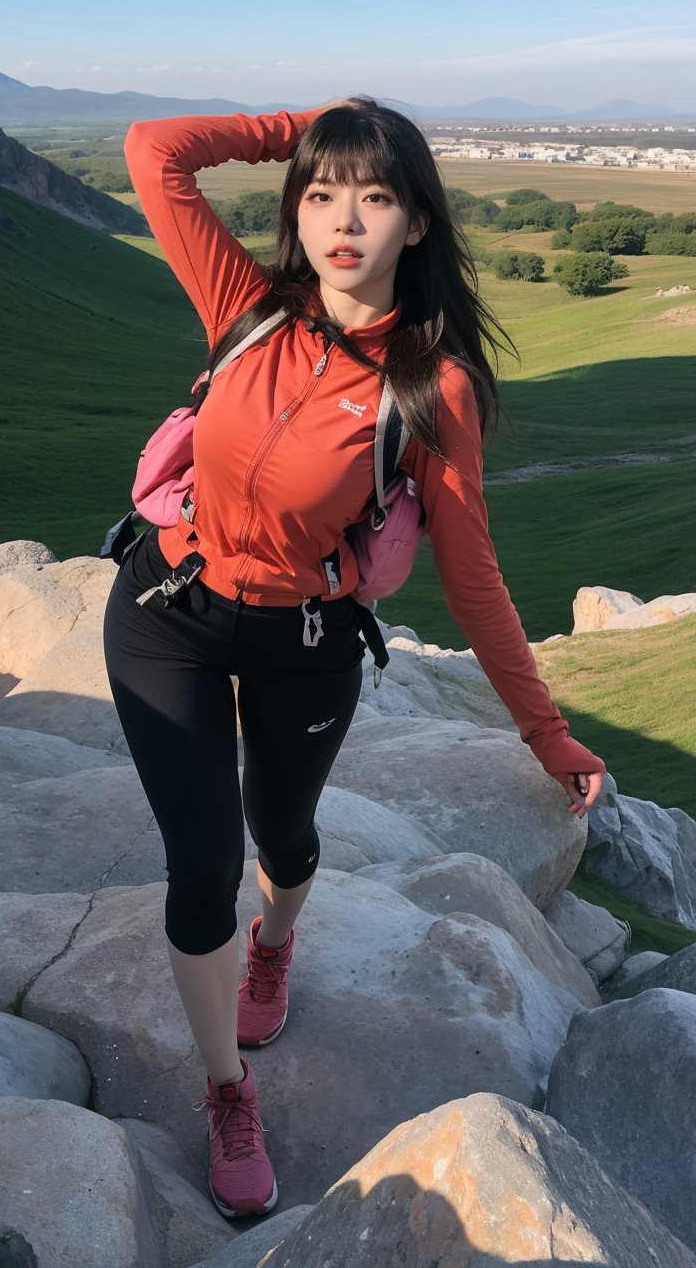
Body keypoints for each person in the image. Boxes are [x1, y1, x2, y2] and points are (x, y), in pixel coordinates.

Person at [102, 99, 606, 1218]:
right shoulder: (247, 307)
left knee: (283, 836)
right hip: (167, 610)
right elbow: (155, 151)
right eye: (322, 194)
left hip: (307, 638)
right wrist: (310, 125)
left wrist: (542, 727)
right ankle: (228, 1089)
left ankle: (273, 946)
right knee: (201, 863)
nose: (344, 221)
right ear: (295, 207)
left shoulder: (433, 389)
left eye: (376, 197)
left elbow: (471, 575)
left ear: (418, 224)